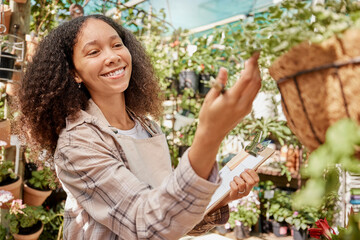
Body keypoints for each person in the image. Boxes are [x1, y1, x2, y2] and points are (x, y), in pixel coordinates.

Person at [18, 15, 261, 239]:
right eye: (93, 52)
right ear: (74, 73)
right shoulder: (77, 143)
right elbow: (145, 225)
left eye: (116, 45)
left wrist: (221, 197)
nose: (112, 56)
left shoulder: (147, 127)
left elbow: (170, 219)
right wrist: (210, 135)